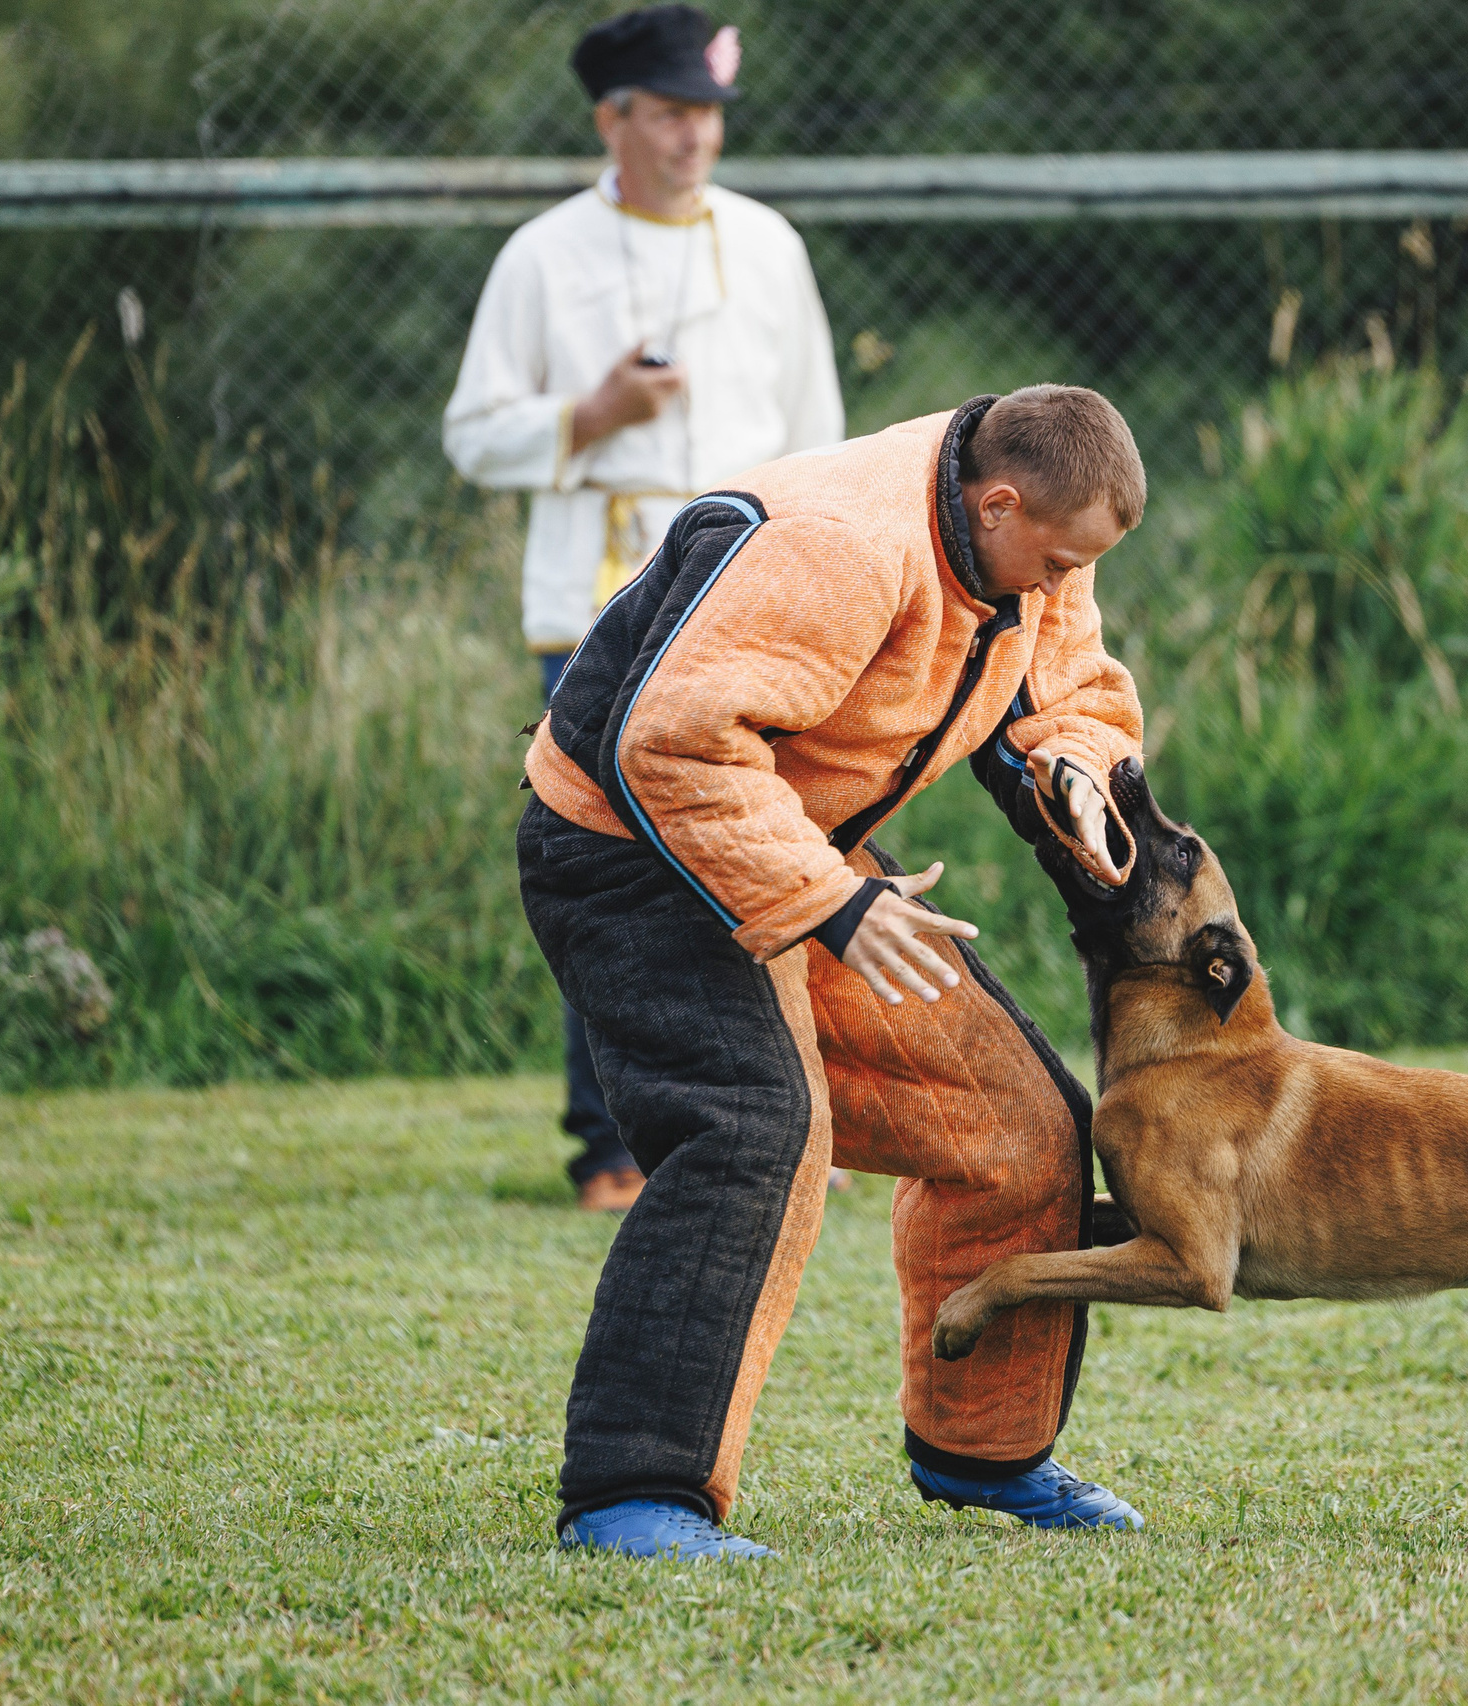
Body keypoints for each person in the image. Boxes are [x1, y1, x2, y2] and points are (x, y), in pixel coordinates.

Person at [517, 384, 1152, 1560]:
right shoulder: (841, 546)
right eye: (1056, 562)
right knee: (753, 1123)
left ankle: (983, 1453)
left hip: (802, 843)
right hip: (622, 847)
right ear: (999, 500)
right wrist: (832, 902)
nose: (1063, 589)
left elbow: (1068, 687)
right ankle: (632, 1495)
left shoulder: (1028, 539)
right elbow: (668, 741)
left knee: (1021, 1130)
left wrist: (1071, 765)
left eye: (1080, 568)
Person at [444, 4, 843, 1212]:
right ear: (612, 119)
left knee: (752, 851)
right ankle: (608, 1141)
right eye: (668, 114)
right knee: (610, 867)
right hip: (597, 601)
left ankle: (772, 1112)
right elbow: (472, 434)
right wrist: (587, 419)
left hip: (744, 606)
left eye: (705, 114)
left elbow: (817, 434)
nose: (692, 137)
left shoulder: (768, 244)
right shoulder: (541, 255)